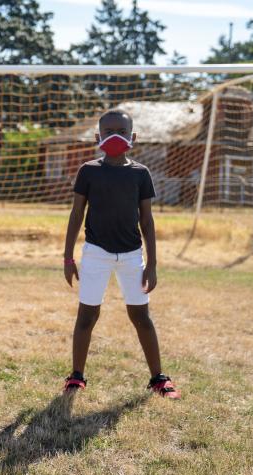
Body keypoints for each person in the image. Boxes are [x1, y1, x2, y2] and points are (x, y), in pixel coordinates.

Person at [62, 109, 180, 399]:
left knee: (141, 317)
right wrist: (68, 258)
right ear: (97, 137)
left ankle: (158, 379)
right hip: (95, 254)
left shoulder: (141, 173)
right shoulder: (88, 170)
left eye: (122, 131)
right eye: (109, 131)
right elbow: (77, 214)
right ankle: (76, 377)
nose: (115, 136)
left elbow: (147, 221)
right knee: (87, 316)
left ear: (133, 137)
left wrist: (151, 264)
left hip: (131, 256)